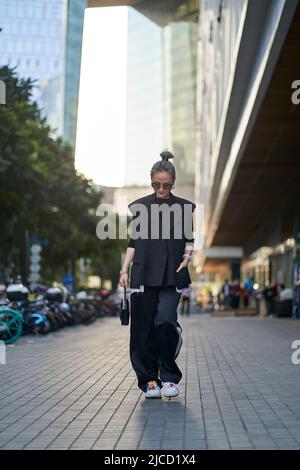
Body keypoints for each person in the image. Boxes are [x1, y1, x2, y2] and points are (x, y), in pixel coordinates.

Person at [119, 150, 195, 399]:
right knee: (142, 329)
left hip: (172, 274)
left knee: (164, 321)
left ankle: (170, 377)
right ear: (150, 181)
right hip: (142, 273)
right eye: (156, 184)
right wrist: (123, 270)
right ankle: (149, 380)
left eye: (165, 185)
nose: (160, 189)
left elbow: (189, 240)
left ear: (172, 183)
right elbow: (133, 243)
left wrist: (187, 258)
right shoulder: (141, 207)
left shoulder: (183, 208)